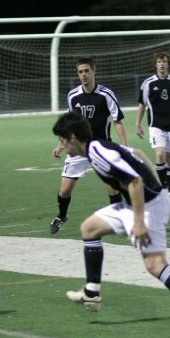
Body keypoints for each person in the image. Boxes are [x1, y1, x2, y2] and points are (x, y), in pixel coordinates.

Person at [52, 110, 170, 334]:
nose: (62, 146)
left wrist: (140, 221)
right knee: (89, 228)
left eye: (62, 141)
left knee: (155, 265)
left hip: (148, 208)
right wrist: (158, 187)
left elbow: (135, 181)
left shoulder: (99, 152)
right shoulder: (97, 149)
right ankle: (92, 292)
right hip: (138, 204)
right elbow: (138, 153)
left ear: (72, 137)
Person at [49, 57, 128, 234]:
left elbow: (118, 121)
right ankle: (61, 216)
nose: (83, 75)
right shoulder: (73, 96)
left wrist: (125, 147)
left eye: (86, 71)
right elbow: (69, 123)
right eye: (80, 72)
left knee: (112, 188)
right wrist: (60, 144)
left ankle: (119, 221)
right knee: (64, 190)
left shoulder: (106, 95)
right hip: (78, 148)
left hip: (101, 147)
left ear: (94, 71)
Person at [135, 50, 170, 201]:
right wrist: (137, 124)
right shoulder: (148, 83)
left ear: (168, 64)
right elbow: (142, 104)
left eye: (164, 61)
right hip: (155, 124)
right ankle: (161, 189)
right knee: (160, 154)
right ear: (155, 65)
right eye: (159, 62)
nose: (162, 64)